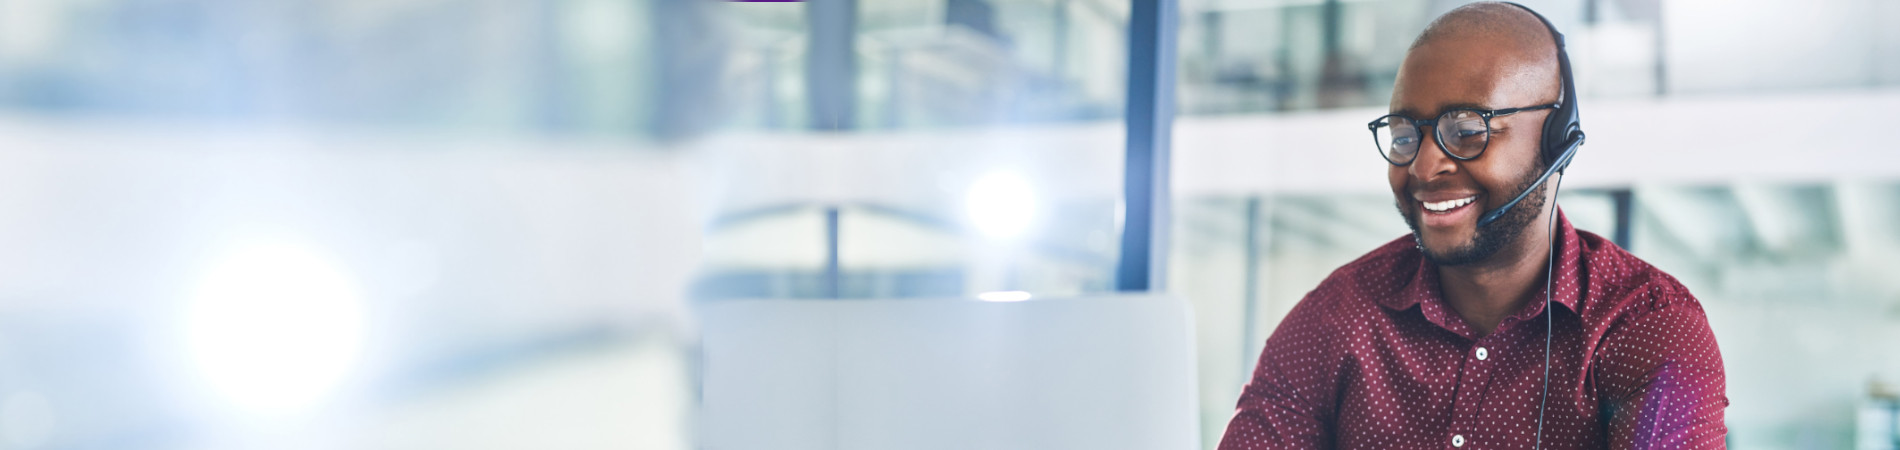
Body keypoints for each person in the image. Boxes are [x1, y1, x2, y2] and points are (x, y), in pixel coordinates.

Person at [1218, 3, 1728, 449]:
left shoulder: (1647, 327)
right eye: (1403, 135)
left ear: (1556, 140)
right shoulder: (1333, 322)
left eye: (1466, 131)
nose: (1423, 167)